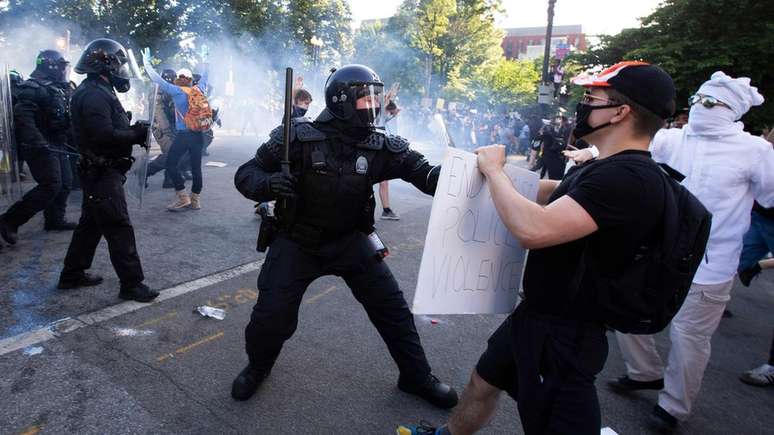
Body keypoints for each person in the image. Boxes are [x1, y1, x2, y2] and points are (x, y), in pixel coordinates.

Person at [398, 61, 677, 435]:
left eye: (592, 99)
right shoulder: (606, 166)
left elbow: (533, 228)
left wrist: (496, 172)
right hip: (538, 316)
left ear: (621, 112)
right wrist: (477, 176)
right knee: (483, 382)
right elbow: (554, 194)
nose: (584, 106)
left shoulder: (627, 177)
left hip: (565, 334)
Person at [231, 64, 457, 409]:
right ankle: (258, 367)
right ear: (342, 100)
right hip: (298, 240)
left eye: (375, 98)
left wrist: (468, 173)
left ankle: (416, 375)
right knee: (271, 316)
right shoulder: (295, 137)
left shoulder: (380, 144)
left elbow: (425, 175)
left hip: (352, 240)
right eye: (366, 98)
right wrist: (268, 184)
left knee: (392, 310)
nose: (373, 105)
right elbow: (247, 172)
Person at [612, 71, 774, 432]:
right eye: (698, 100)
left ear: (732, 109)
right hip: (657, 252)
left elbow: (771, 197)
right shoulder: (671, 139)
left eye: (712, 102)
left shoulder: (756, 151)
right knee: (626, 311)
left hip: (711, 262)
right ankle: (643, 372)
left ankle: (673, 406)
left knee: (688, 338)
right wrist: (590, 153)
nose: (702, 108)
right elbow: (626, 148)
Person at [57, 38, 158, 303]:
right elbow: (102, 135)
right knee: (118, 225)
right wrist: (134, 134)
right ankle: (132, 284)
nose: (122, 70)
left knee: (90, 225)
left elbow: (106, 129)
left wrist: (130, 129)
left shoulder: (98, 89)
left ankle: (71, 274)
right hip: (101, 172)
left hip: (99, 171)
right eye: (119, 64)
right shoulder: (93, 94)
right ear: (107, 65)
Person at [0, 50, 77, 246]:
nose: (63, 70)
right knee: (50, 185)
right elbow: (23, 118)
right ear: (49, 66)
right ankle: (9, 221)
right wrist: (38, 142)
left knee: (66, 182)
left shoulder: (56, 87)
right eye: (60, 66)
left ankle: (54, 219)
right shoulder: (32, 88)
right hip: (39, 145)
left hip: (57, 142)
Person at [142, 49, 211, 211]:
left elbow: (156, 79)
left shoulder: (176, 91)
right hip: (198, 135)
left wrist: (146, 64)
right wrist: (205, 61)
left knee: (171, 164)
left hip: (183, 136)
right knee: (196, 169)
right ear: (191, 80)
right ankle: (195, 201)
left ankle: (183, 197)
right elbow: (206, 75)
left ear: (178, 79)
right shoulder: (199, 89)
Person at [380, 99, 401, 220]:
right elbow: (385, 105)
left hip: (382, 152)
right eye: (391, 112)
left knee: (384, 182)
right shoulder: (380, 116)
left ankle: (386, 210)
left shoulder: (386, 118)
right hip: (376, 153)